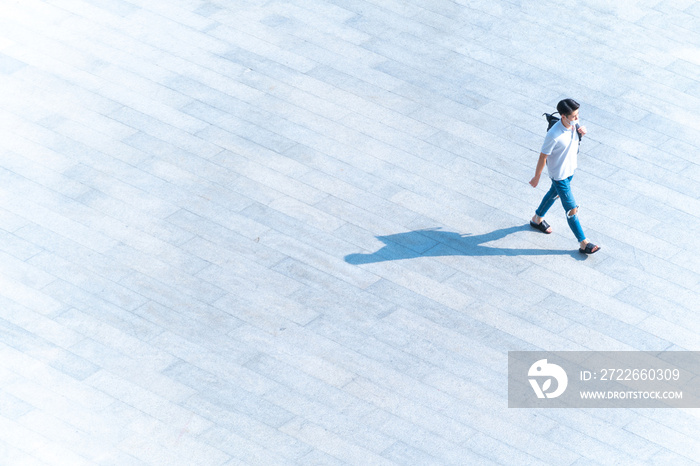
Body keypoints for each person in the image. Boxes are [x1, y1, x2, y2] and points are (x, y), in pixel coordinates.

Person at [529, 98, 600, 254]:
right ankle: (583, 243)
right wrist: (537, 176)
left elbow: (577, 125)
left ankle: (537, 219)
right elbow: (543, 156)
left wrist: (581, 129)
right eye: (574, 116)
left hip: (570, 171)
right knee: (571, 209)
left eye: (577, 115)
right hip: (559, 176)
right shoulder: (553, 135)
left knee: (553, 194)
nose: (576, 119)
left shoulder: (574, 123)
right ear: (563, 116)